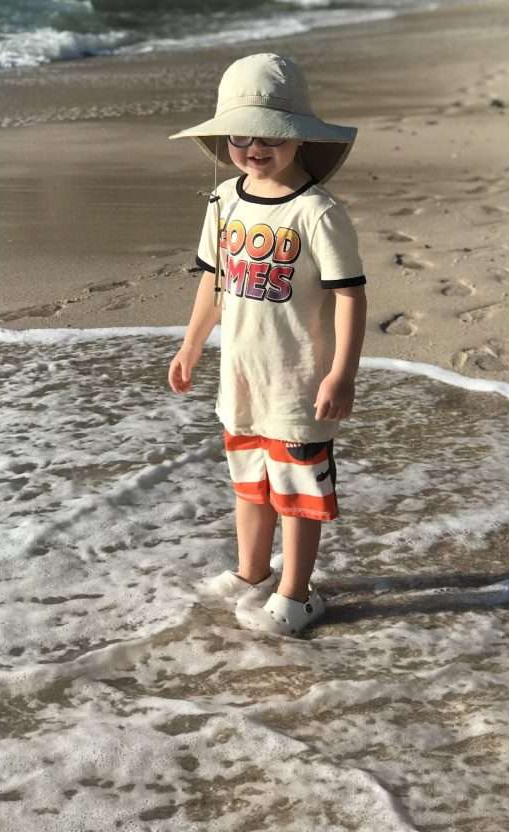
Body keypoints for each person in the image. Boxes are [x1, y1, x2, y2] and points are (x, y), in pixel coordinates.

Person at [167, 52, 367, 637]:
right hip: (243, 375)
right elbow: (214, 280)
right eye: (240, 135)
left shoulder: (318, 213)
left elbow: (351, 296)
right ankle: (253, 570)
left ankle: (296, 592)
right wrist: (191, 345)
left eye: (271, 135)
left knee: (298, 490)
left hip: (300, 379)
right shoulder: (224, 200)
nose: (254, 147)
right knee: (250, 481)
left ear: (299, 138)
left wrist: (341, 373)